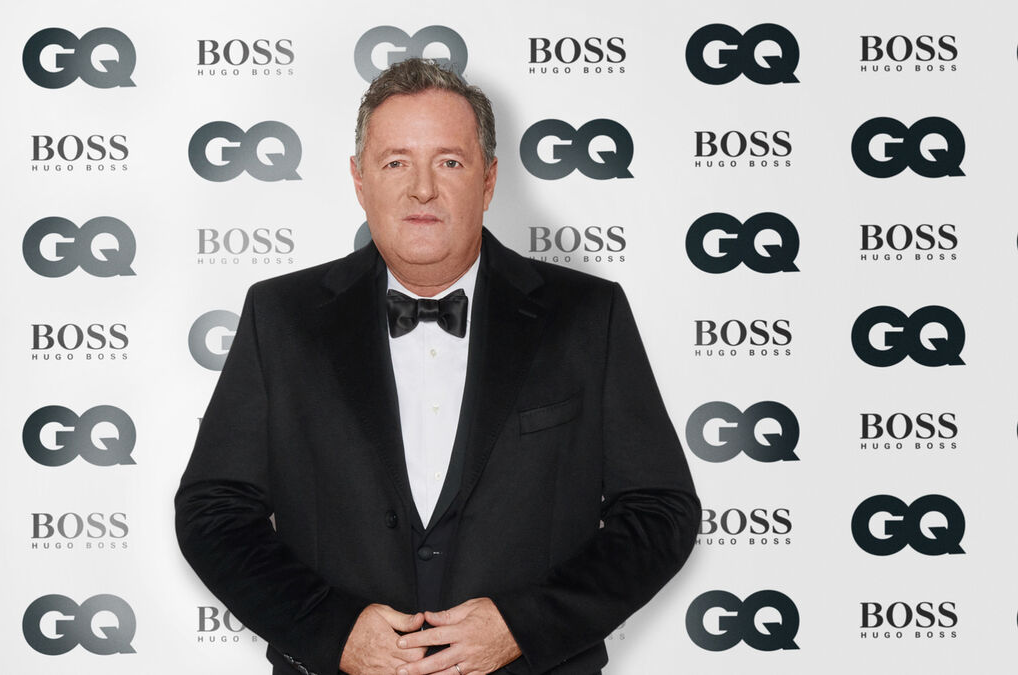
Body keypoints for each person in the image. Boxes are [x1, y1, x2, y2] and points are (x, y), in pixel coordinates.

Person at [176, 58, 700, 675]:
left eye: (449, 162)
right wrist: (332, 631)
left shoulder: (588, 315)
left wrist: (522, 626)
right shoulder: (281, 317)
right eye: (395, 162)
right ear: (359, 180)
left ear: (489, 179)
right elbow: (213, 512)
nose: (422, 188)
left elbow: (660, 511)